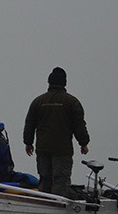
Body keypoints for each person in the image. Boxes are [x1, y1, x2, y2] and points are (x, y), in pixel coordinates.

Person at [22, 67, 90, 195]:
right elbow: (79, 125)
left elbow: (29, 124)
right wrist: (83, 143)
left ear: (49, 82)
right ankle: (58, 210)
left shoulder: (37, 101)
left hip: (43, 148)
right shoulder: (72, 102)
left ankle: (44, 207)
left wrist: (28, 143)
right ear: (64, 83)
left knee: (45, 179)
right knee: (60, 181)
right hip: (62, 150)